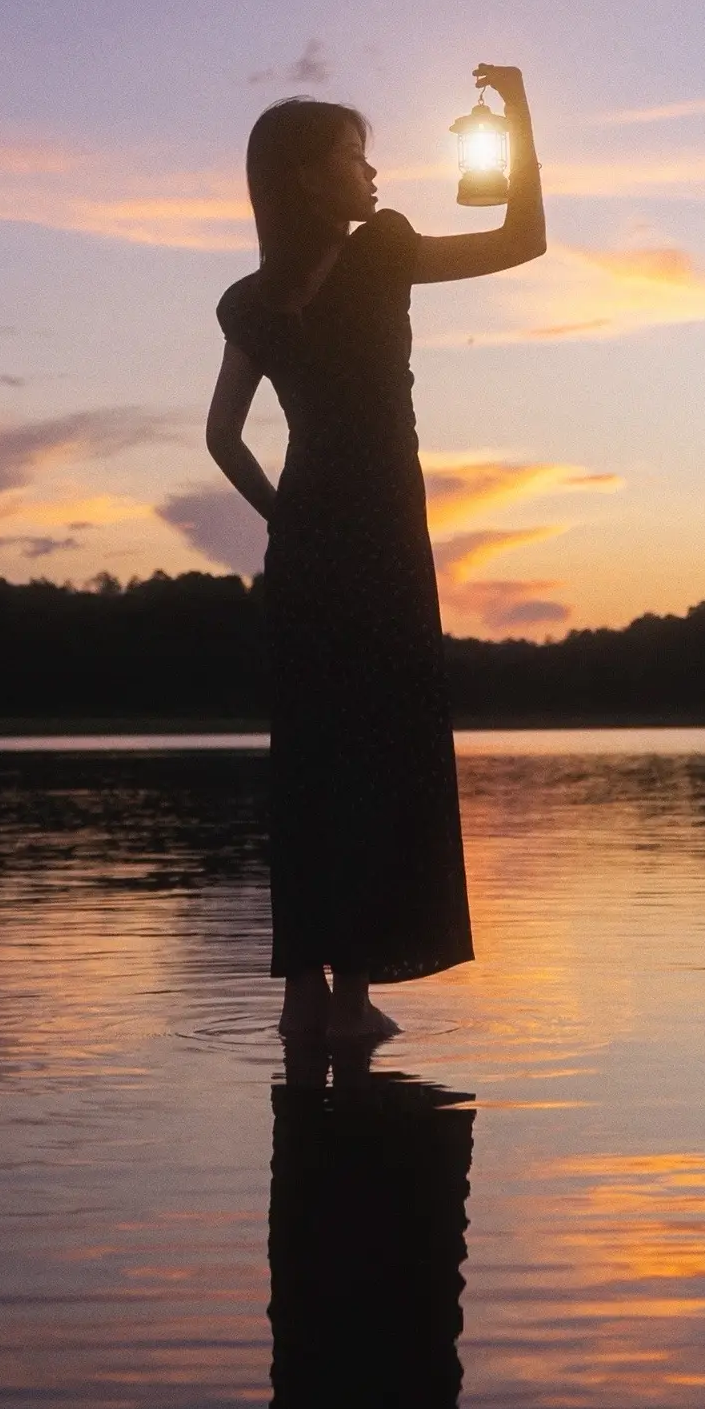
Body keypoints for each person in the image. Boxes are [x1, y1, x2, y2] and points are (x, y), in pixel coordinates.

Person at [206, 65, 546, 1044]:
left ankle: (304, 998)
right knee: (383, 754)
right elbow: (524, 239)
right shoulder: (384, 253)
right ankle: (353, 996)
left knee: (313, 761)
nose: (374, 171)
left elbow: (223, 441)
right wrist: (517, 116)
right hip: (385, 543)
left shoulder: (248, 301)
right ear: (311, 179)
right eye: (356, 157)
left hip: (309, 545)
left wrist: (284, 522)